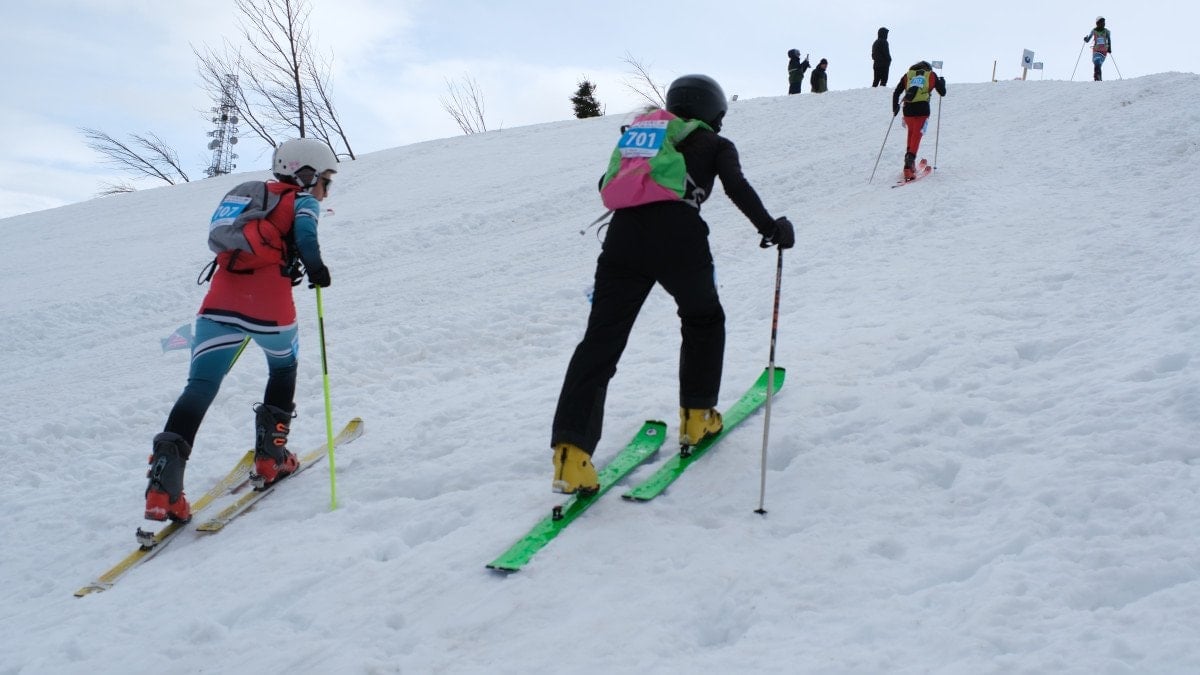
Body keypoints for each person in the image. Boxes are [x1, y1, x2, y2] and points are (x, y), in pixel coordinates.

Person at [549, 74, 795, 494]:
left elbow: (606, 183)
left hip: (623, 237)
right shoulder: (715, 143)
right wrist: (772, 228)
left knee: (601, 340)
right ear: (712, 111)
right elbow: (736, 186)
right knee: (703, 319)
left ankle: (571, 457)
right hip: (679, 235)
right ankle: (697, 418)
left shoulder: (641, 136)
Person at [143, 138, 337, 522]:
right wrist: (316, 267)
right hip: (269, 311)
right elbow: (306, 235)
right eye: (325, 181)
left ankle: (162, 490)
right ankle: (271, 458)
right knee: (283, 368)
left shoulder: (248, 196)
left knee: (199, 387)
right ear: (305, 175)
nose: (326, 191)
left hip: (217, 307)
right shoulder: (302, 201)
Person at [891, 61, 946, 180]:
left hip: (907, 110)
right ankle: (908, 166)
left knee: (911, 135)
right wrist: (942, 82)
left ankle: (909, 164)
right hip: (922, 110)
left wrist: (895, 107)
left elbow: (897, 92)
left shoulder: (908, 75)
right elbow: (942, 92)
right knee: (917, 136)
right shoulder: (930, 75)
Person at [1084, 16, 1112, 81]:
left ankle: (1098, 78)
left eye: (1104, 23)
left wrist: (1109, 48)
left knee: (1098, 63)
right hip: (1096, 51)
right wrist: (1086, 39)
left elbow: (1109, 40)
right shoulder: (1094, 31)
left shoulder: (1106, 31)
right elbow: (1088, 40)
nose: (1103, 24)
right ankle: (1097, 78)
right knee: (1097, 63)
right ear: (1097, 23)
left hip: (1103, 52)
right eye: (1102, 22)